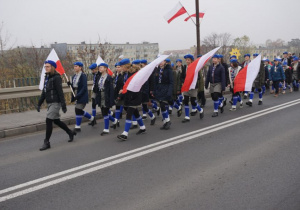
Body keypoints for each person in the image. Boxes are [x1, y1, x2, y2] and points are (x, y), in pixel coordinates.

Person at [37, 60, 76, 151]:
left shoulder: (56, 77)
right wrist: (39, 103)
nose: (46, 68)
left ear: (52, 67)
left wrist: (63, 105)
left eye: (48, 66)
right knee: (57, 121)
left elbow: (60, 92)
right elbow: (44, 92)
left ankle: (46, 142)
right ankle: (70, 132)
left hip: (55, 103)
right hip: (50, 103)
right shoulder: (47, 77)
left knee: (48, 120)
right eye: (45, 66)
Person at [117, 58, 146, 141]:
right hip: (128, 96)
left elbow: (136, 84)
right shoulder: (125, 73)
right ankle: (143, 127)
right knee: (136, 112)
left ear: (125, 66)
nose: (121, 68)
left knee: (129, 113)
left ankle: (125, 134)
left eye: (121, 66)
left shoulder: (134, 73)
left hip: (135, 96)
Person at [68, 62, 95, 132]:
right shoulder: (74, 76)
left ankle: (78, 127)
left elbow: (83, 87)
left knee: (77, 109)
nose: (75, 67)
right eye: (74, 66)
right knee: (79, 110)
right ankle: (92, 118)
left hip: (82, 95)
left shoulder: (83, 76)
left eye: (76, 66)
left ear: (80, 67)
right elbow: (74, 86)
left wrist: (77, 96)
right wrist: (69, 84)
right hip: (76, 94)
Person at [96, 63, 118, 135]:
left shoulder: (109, 77)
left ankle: (106, 129)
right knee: (103, 111)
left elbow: (111, 90)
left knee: (105, 112)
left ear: (105, 68)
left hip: (106, 96)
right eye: (99, 67)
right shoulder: (99, 77)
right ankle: (114, 120)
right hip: (100, 95)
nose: (99, 68)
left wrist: (111, 100)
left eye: (101, 67)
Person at [182, 54, 204, 123]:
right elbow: (182, 77)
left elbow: (199, 77)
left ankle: (200, 110)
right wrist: (184, 82)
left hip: (193, 86)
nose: (187, 61)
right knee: (185, 100)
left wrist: (192, 80)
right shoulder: (184, 67)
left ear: (191, 60)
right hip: (186, 86)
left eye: (188, 60)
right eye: (186, 60)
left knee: (193, 101)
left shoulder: (195, 68)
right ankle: (187, 117)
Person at [153, 59, 173, 129]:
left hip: (166, 89)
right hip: (159, 90)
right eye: (159, 61)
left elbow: (171, 82)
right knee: (162, 106)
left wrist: (169, 91)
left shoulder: (168, 70)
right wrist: (154, 90)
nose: (160, 63)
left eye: (162, 61)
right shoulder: (157, 70)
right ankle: (165, 122)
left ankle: (168, 121)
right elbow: (155, 81)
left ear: (165, 62)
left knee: (163, 105)